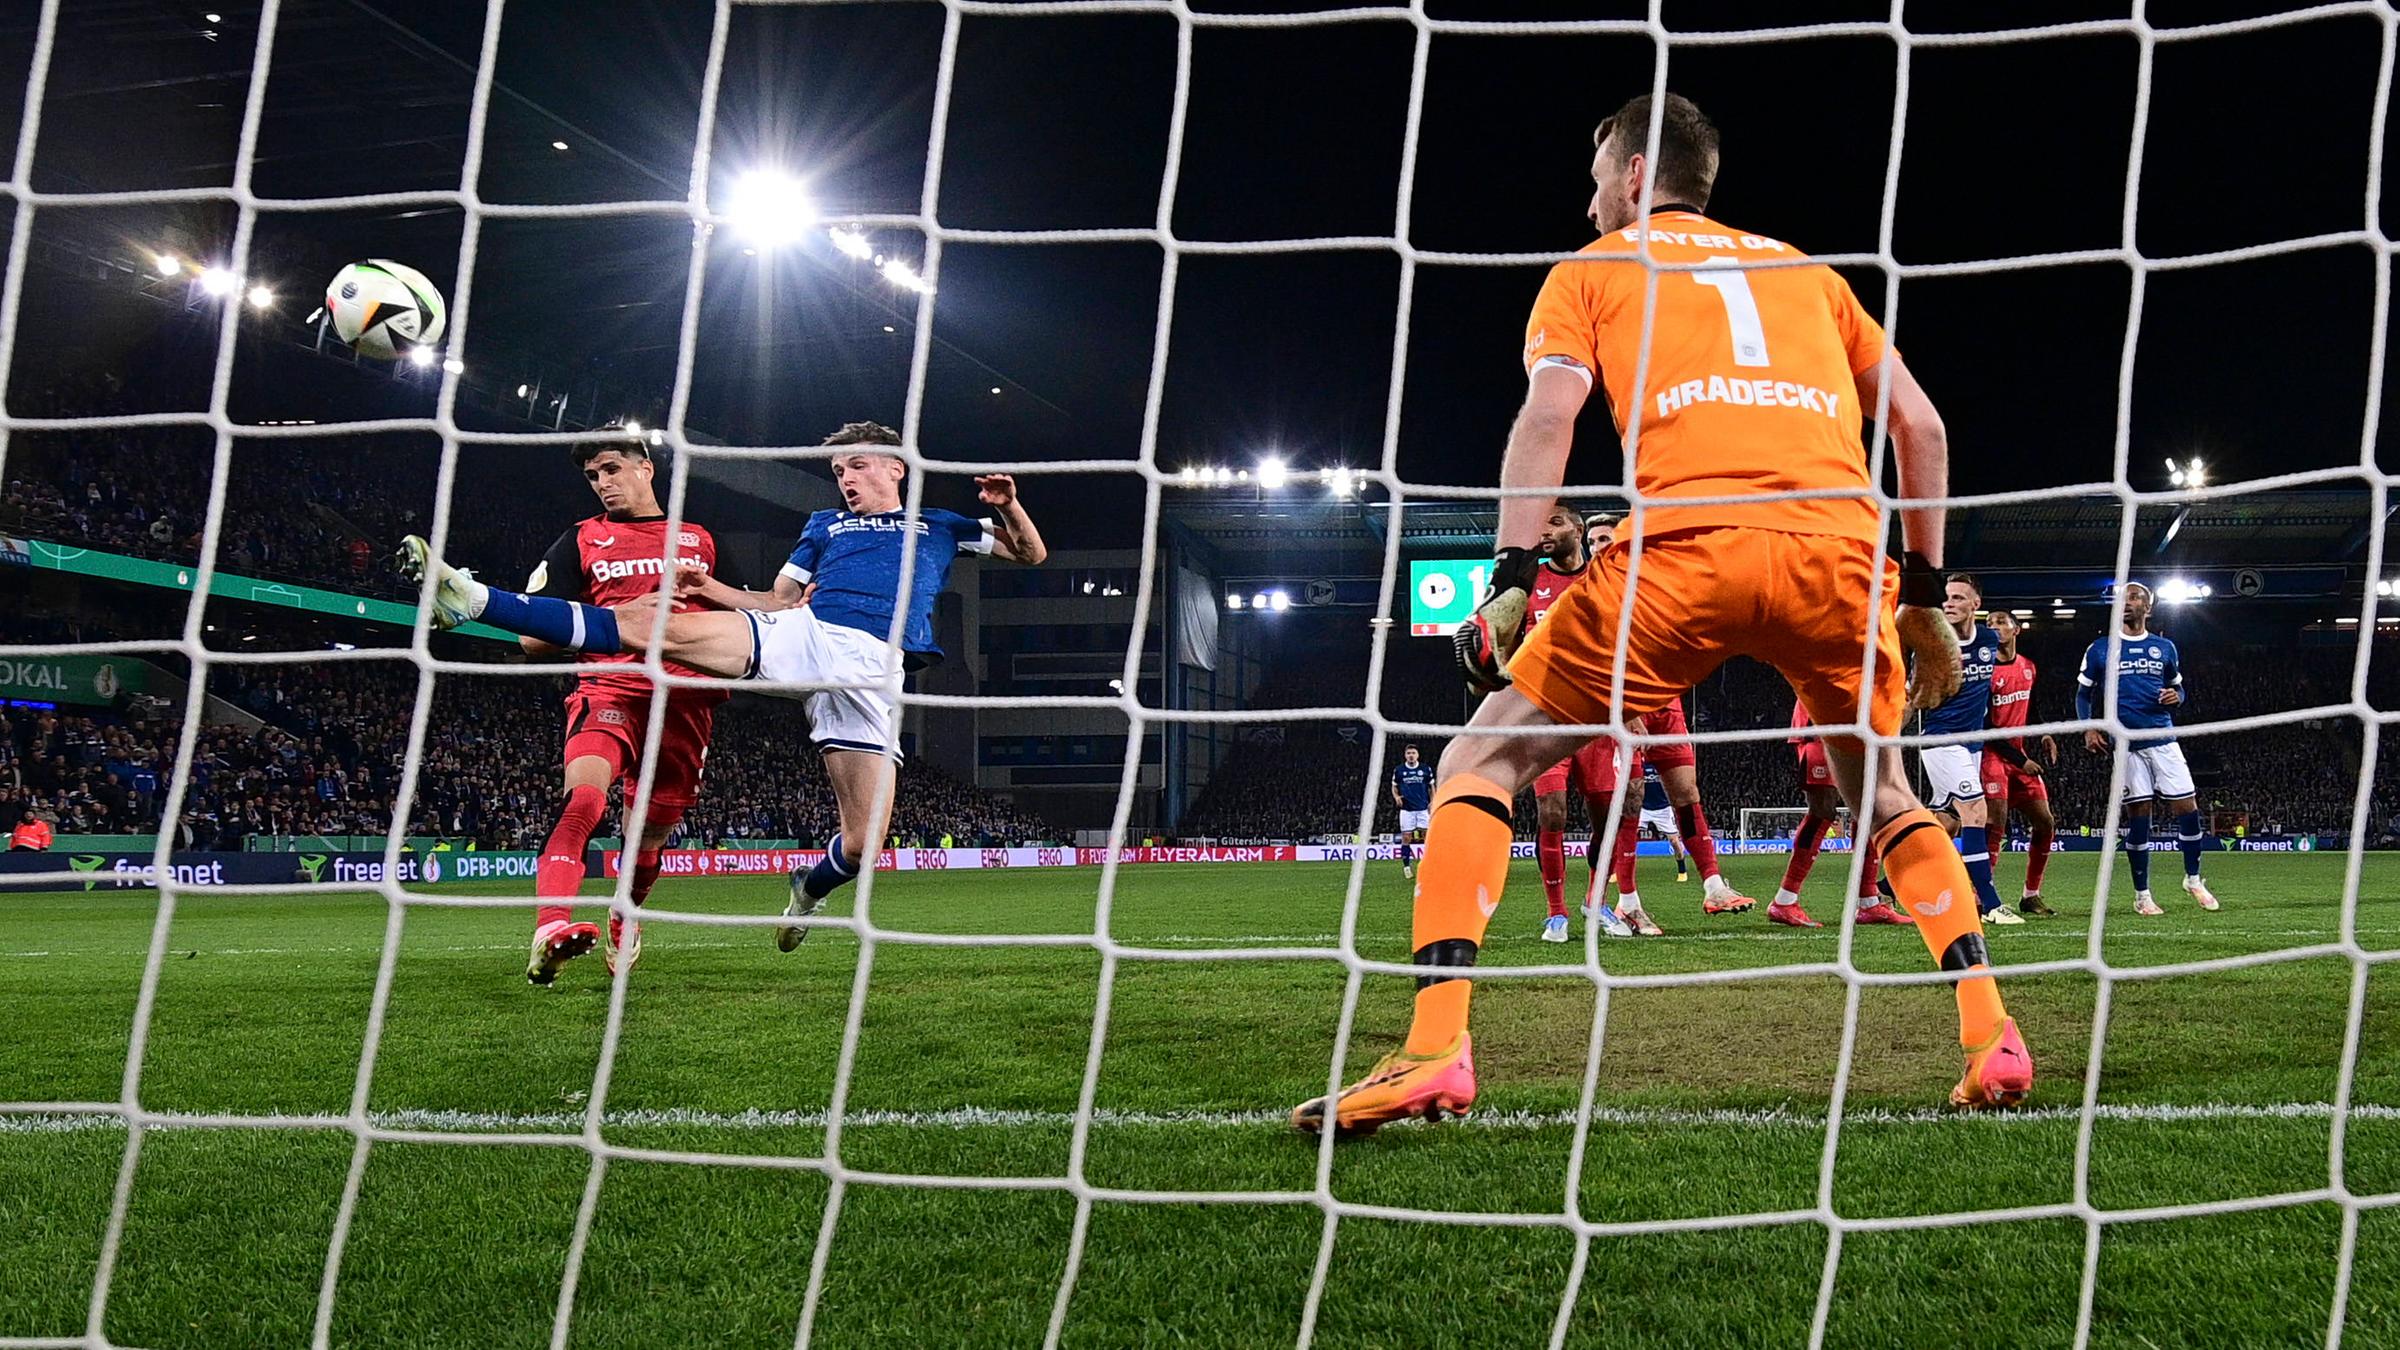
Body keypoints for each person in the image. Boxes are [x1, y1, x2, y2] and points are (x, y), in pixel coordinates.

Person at [1293, 92, 2029, 1136]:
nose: (1589, 195)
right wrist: (1919, 592)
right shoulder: (1810, 275)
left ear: (1636, 176)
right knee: (1888, 794)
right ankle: (1991, 1032)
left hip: (1686, 555)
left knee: (1477, 763)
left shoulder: (1591, 269)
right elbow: (1921, 424)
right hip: (1838, 559)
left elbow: (1551, 411)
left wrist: (1508, 571)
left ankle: (1434, 1050)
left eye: (1597, 173)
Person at [401, 421, 1048, 947]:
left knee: (863, 843)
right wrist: (710, 592)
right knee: (650, 625)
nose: (846, 479)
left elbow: (1029, 554)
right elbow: (774, 599)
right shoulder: (823, 527)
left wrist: (1010, 505)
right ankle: (477, 599)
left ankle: (808, 889)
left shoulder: (937, 525)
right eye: (838, 471)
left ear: (894, 466)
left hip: (873, 676)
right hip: (812, 638)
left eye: (856, 466)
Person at [505, 438, 729, 985]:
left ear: (646, 469)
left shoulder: (698, 540)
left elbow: (726, 618)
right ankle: (548, 928)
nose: (602, 481)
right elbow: (529, 640)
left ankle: (624, 916)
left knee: (647, 839)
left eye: (611, 468)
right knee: (583, 798)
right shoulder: (580, 539)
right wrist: (616, 617)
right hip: (610, 688)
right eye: (592, 475)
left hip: (685, 703)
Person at [1587, 513, 1752, 913]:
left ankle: (1714, 886)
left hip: (1667, 707)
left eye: (1603, 538)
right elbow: (1595, 657)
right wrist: (1624, 709)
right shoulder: (1591, 594)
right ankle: (1628, 900)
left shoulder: (1653, 586)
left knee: (1686, 794)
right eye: (1591, 542)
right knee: (1631, 800)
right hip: (1623, 712)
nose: (1596, 547)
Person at [2077, 581, 2220, 915]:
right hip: (2125, 744)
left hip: (2163, 738)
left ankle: (2193, 878)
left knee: (2188, 807)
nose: (2127, 602)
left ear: (2149, 608)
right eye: (2122, 598)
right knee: (2139, 817)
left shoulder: (2165, 647)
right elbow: (2083, 694)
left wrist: (2177, 697)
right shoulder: (2100, 648)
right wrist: (2088, 727)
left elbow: (2178, 689)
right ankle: (2142, 895)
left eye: (2136, 597)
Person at [1917, 575, 2024, 925]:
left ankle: (1888, 886)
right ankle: (1991, 905)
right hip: (1941, 741)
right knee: (1976, 814)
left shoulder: (1989, 639)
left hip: (1972, 745)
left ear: (1975, 606)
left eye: (1959, 598)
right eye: (1946, 597)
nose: (1949, 603)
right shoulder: (1934, 645)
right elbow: (1913, 697)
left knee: (1944, 822)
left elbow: (2008, 651)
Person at [1774, 700, 1915, 927]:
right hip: (1820, 725)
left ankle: (1869, 903)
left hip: (1852, 730)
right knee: (1823, 809)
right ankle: (1785, 900)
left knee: (1868, 809)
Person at [1525, 505, 1596, 935]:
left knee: (1607, 815)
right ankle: (1556, 911)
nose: (1544, 531)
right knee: (1552, 813)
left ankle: (1596, 900)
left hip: (1599, 716)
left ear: (1578, 529)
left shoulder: (1605, 575)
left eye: (1555, 522)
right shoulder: (1530, 581)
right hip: (1547, 716)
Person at [1982, 610, 2059, 916]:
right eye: (1989, 624)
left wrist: (2043, 735)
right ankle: (1981, 894)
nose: (1994, 627)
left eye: (2001, 622)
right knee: (1995, 821)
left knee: (2045, 822)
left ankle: (2031, 895)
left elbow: (2033, 706)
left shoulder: (2028, 667)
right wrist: (2021, 760)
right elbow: (1985, 727)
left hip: (2019, 756)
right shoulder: (1983, 670)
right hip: (1992, 755)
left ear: (2016, 630)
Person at [1390, 744, 1434, 878]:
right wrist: (1396, 796)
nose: (1411, 755)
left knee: (1427, 837)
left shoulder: (1425, 769)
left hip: (1423, 809)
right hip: (1407, 810)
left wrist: (1433, 801)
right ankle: (1407, 867)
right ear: (1405, 755)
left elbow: (1432, 787)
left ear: (1417, 755)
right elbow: (1394, 787)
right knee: (1406, 837)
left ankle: (1428, 865)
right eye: (1408, 753)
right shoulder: (1399, 770)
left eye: (1413, 753)